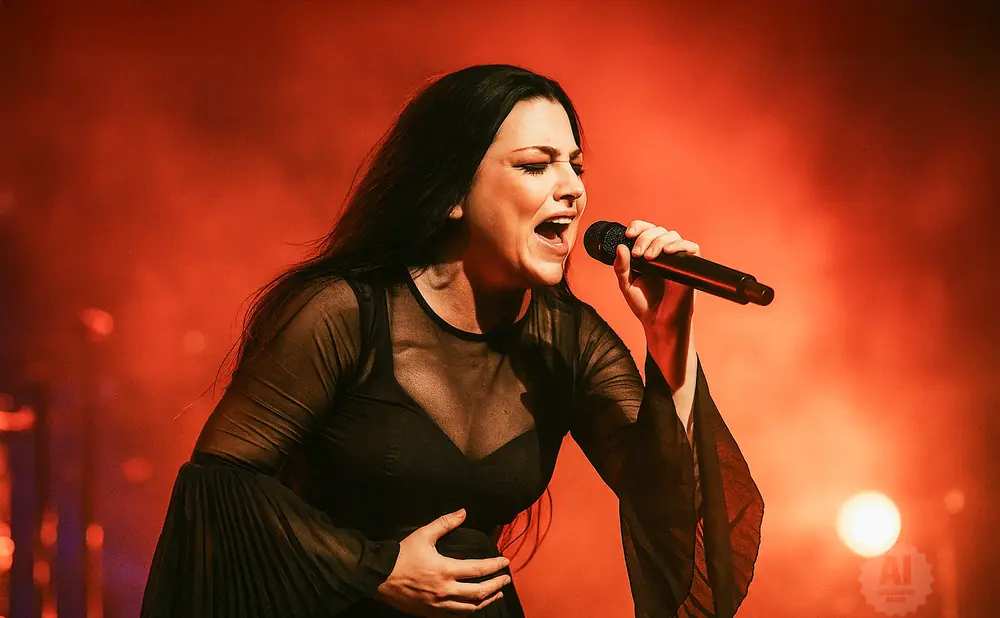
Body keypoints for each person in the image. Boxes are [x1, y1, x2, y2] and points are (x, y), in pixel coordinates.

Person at [140, 64, 762, 618]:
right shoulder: (344, 312)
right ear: (453, 194)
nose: (573, 189)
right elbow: (219, 484)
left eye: (575, 165)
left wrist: (668, 338)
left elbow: (671, 515)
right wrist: (374, 570)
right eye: (536, 165)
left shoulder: (568, 340)